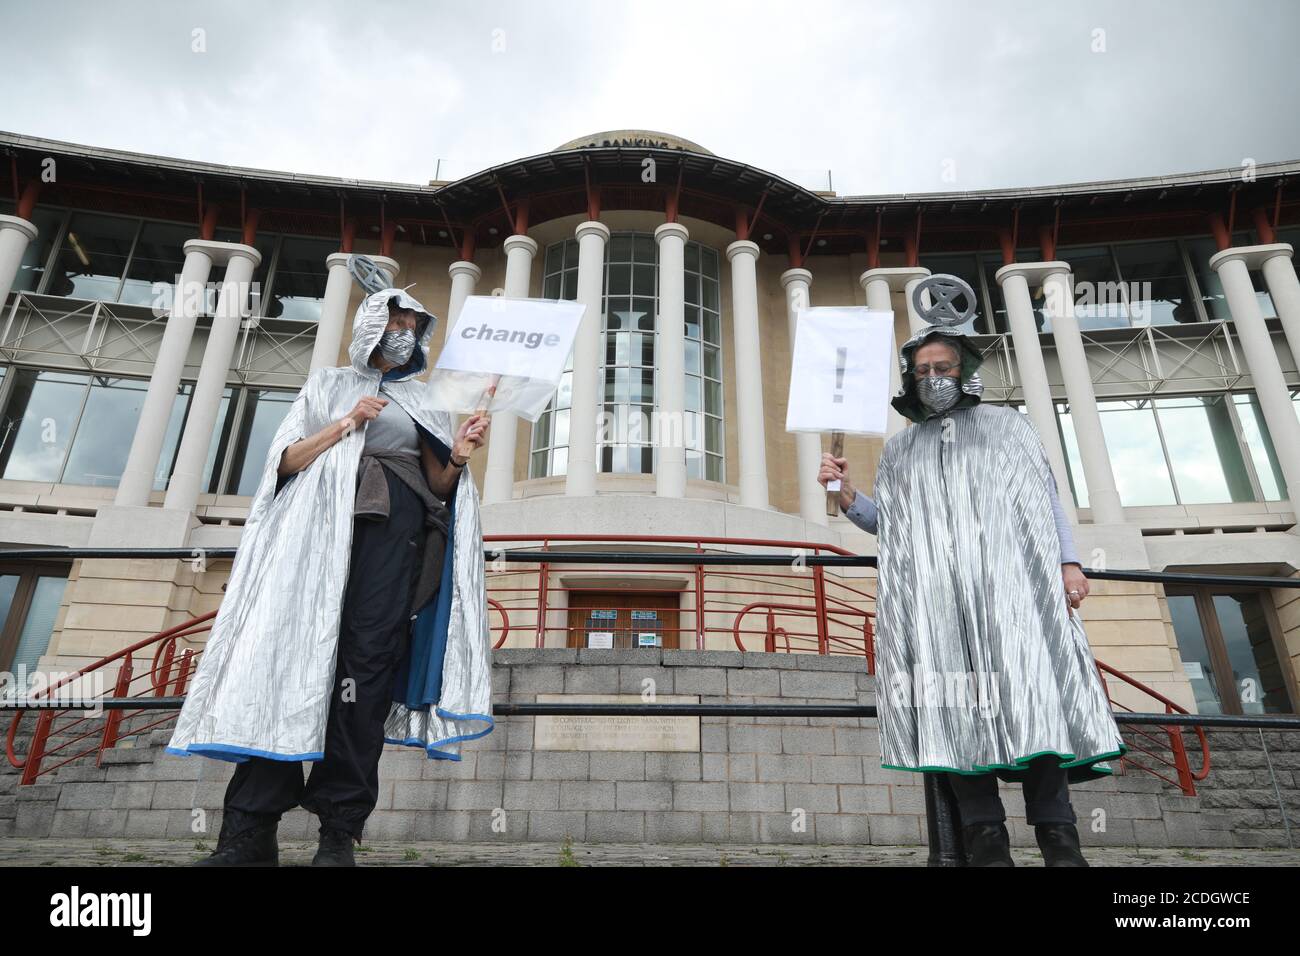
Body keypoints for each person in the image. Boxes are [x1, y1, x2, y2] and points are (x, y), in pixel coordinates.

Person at [168, 288, 495, 866]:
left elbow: (439, 486)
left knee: (364, 675)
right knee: (287, 662)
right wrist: (347, 423)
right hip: (314, 543)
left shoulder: (424, 399)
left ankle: (338, 833)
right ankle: (249, 833)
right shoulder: (326, 385)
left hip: (394, 543)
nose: (404, 331)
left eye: (413, 325)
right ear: (373, 324)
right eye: (395, 320)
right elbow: (285, 463)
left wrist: (462, 451)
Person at [818, 323, 1126, 867]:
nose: (934, 378)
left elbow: (1045, 498)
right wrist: (843, 492)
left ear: (965, 369)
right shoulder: (900, 450)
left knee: (1036, 701)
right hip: (937, 604)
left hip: (1015, 596)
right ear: (910, 382)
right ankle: (986, 841)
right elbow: (887, 523)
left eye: (944, 367)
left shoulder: (1009, 427)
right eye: (923, 371)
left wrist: (1068, 560)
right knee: (952, 707)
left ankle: (1060, 839)